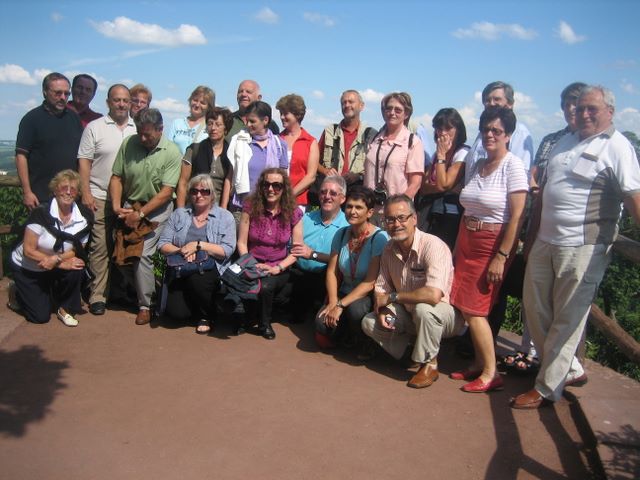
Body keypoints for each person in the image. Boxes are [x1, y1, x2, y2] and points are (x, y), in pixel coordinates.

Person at [512, 85, 640, 409]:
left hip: (584, 246)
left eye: (591, 108)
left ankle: (546, 388)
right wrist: (532, 236)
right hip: (545, 240)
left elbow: (633, 196)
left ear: (610, 112)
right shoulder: (565, 142)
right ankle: (566, 368)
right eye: (579, 107)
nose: (583, 114)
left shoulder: (617, 147)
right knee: (534, 308)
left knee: (568, 317)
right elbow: (545, 193)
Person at [502, 82, 588, 374]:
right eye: (567, 104)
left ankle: (563, 366)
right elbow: (535, 175)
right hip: (541, 227)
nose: (571, 109)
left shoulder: (597, 143)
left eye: (577, 103)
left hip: (577, 237)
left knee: (565, 303)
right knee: (535, 296)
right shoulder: (553, 140)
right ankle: (531, 351)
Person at [449, 106, 528, 393]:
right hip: (467, 239)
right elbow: (468, 208)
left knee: (476, 309)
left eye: (496, 130)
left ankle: (491, 373)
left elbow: (517, 217)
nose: (490, 135)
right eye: (485, 129)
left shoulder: (513, 166)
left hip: (491, 244)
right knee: (465, 306)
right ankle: (479, 364)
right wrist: (456, 249)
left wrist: (501, 257)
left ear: (508, 134)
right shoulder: (480, 164)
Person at [361, 195, 464, 388]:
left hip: (444, 316)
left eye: (402, 218)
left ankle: (429, 364)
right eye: (390, 219)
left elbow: (433, 295)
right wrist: (384, 309)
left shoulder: (433, 246)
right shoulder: (389, 249)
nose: (396, 224)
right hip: (409, 314)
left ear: (414, 218)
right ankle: (412, 352)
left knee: (424, 309)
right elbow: (381, 289)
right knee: (370, 322)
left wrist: (393, 297)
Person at [109, 108, 181, 325]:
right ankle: (151, 291)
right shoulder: (129, 144)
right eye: (139, 133)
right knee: (120, 254)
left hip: (157, 208)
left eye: (147, 134)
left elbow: (166, 192)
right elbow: (116, 177)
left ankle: (145, 305)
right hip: (130, 205)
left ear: (160, 129)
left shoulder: (171, 151)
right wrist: (116, 206)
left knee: (143, 253)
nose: (142, 138)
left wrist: (140, 214)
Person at [78, 84, 137, 315]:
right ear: (108, 102)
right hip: (100, 196)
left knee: (125, 247)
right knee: (100, 247)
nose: (121, 104)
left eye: (125, 100)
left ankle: (121, 293)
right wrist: (85, 191)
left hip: (129, 199)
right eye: (116, 100)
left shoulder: (136, 127)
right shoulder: (95, 127)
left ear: (130, 102)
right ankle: (98, 296)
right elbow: (84, 161)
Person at [9, 170, 93, 326]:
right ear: (55, 190)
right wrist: (59, 263)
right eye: (64, 188)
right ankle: (18, 291)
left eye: (73, 189)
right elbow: (28, 250)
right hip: (28, 266)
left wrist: (57, 259)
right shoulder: (41, 213)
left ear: (77, 194)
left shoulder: (84, 218)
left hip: (53, 263)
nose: (68, 192)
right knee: (40, 316)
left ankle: (65, 308)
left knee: (77, 266)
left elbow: (78, 249)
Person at [158, 174, 236, 334]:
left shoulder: (225, 217)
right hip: (182, 266)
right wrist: (182, 250)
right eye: (194, 191)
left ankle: (207, 315)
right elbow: (163, 244)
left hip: (210, 267)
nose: (199, 195)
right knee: (177, 314)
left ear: (212, 194)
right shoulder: (179, 214)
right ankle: (196, 305)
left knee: (197, 280)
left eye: (204, 191)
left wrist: (199, 246)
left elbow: (227, 250)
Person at [316, 186, 388, 349]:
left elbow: (370, 282)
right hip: (344, 291)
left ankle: (366, 342)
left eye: (358, 207)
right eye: (349, 206)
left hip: (366, 296)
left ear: (370, 212)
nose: (352, 211)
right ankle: (346, 333)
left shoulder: (379, 238)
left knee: (356, 310)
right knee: (321, 323)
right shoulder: (341, 234)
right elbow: (332, 271)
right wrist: (333, 302)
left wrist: (340, 305)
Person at [236, 168, 303, 340]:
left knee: (265, 286)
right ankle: (247, 316)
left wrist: (277, 268)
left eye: (276, 185)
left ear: (284, 188)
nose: (271, 189)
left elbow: (296, 251)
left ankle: (264, 323)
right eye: (266, 184)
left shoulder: (293, 211)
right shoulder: (250, 206)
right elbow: (242, 242)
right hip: (251, 262)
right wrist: (250, 264)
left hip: (278, 266)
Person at [15, 72, 83, 208]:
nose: (63, 97)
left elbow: (82, 156)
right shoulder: (31, 119)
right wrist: (27, 192)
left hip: (70, 195)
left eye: (66, 94)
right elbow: (21, 156)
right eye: (58, 93)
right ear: (45, 92)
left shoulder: (74, 118)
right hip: (41, 197)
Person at [289, 176, 349, 322]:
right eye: (323, 192)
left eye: (333, 193)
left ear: (342, 199)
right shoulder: (305, 218)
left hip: (326, 280)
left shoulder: (347, 225)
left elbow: (343, 260)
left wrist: (313, 254)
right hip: (298, 274)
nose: (327, 196)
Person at [363, 92, 424, 222]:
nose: (392, 113)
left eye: (398, 110)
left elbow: (415, 184)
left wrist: (397, 208)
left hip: (396, 215)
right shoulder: (374, 139)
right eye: (389, 108)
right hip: (369, 210)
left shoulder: (412, 142)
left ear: (406, 114)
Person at [417, 108, 469, 250]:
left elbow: (444, 184)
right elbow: (424, 186)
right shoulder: (436, 153)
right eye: (440, 129)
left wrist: (441, 156)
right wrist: (441, 187)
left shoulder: (462, 153)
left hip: (450, 215)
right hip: (431, 211)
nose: (443, 133)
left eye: (448, 128)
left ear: (458, 130)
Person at [227, 101, 288, 218]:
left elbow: (284, 180)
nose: (248, 124)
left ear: (265, 120)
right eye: (247, 121)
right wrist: (224, 208)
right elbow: (230, 177)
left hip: (269, 210)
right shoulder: (241, 142)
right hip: (242, 209)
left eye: (252, 121)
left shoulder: (279, 145)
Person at [465, 81, 534, 181]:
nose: (491, 103)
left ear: (510, 104)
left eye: (497, 99)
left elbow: (521, 174)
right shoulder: (482, 133)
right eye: (487, 100)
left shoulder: (519, 132)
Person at [317, 90, 377, 194]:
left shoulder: (371, 135)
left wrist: (358, 176)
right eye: (344, 103)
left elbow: (377, 169)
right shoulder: (330, 131)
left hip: (358, 194)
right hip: (332, 193)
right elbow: (313, 162)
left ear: (361, 106)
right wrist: (325, 171)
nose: (347, 105)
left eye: (351, 102)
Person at [176, 107, 234, 209]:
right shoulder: (194, 150)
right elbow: (183, 183)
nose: (213, 128)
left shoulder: (231, 153)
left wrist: (223, 212)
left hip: (218, 209)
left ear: (226, 128)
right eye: (210, 124)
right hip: (194, 207)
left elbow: (228, 184)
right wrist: (180, 211)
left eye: (218, 124)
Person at [276, 94, 319, 209]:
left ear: (298, 115)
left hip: (299, 203)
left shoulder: (310, 142)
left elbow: (311, 176)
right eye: (281, 113)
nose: (282, 117)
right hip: (274, 200)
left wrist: (289, 195)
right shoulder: (276, 140)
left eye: (285, 113)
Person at [166, 85, 215, 154]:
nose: (197, 105)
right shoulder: (177, 123)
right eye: (195, 100)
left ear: (209, 107)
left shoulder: (210, 126)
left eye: (202, 103)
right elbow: (168, 149)